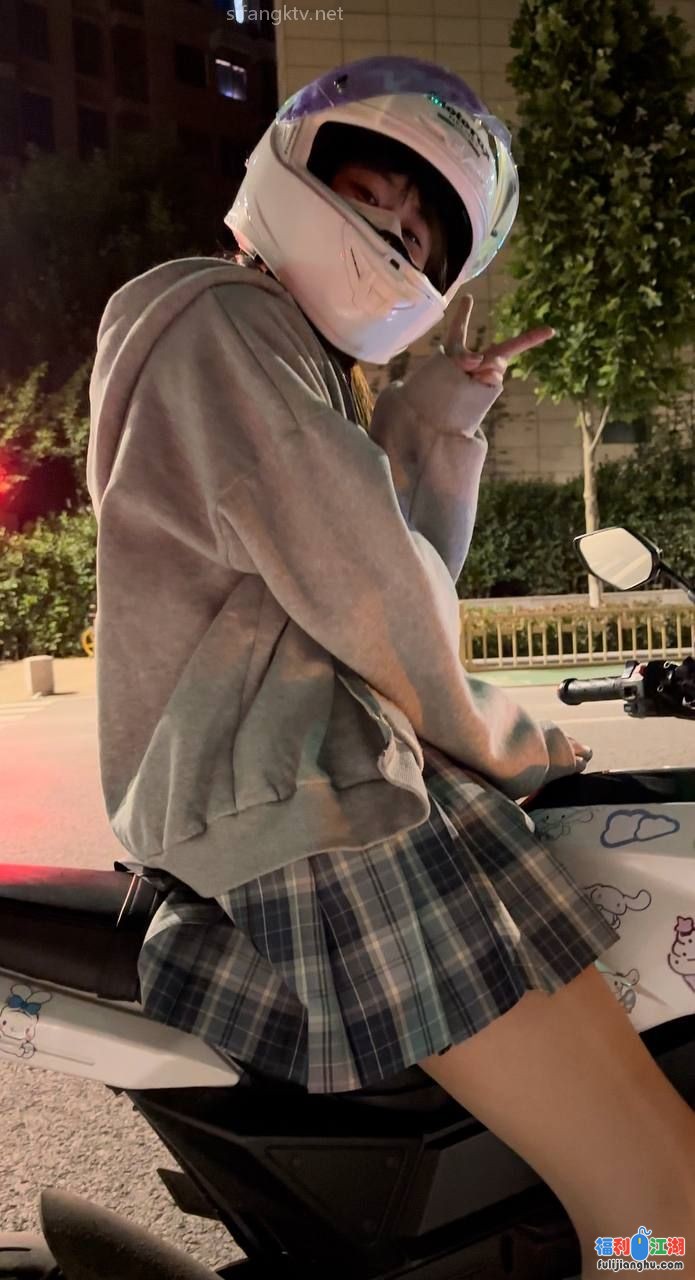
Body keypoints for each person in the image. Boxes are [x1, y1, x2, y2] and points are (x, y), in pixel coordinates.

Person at [87, 56, 695, 1277]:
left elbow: (372, 558)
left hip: (340, 798)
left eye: (414, 236)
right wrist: (517, 738)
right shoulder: (219, 317)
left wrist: (430, 415)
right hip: (321, 823)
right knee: (655, 1204)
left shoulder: (276, 351)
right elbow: (375, 592)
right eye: (372, 196)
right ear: (297, 169)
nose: (387, 237)